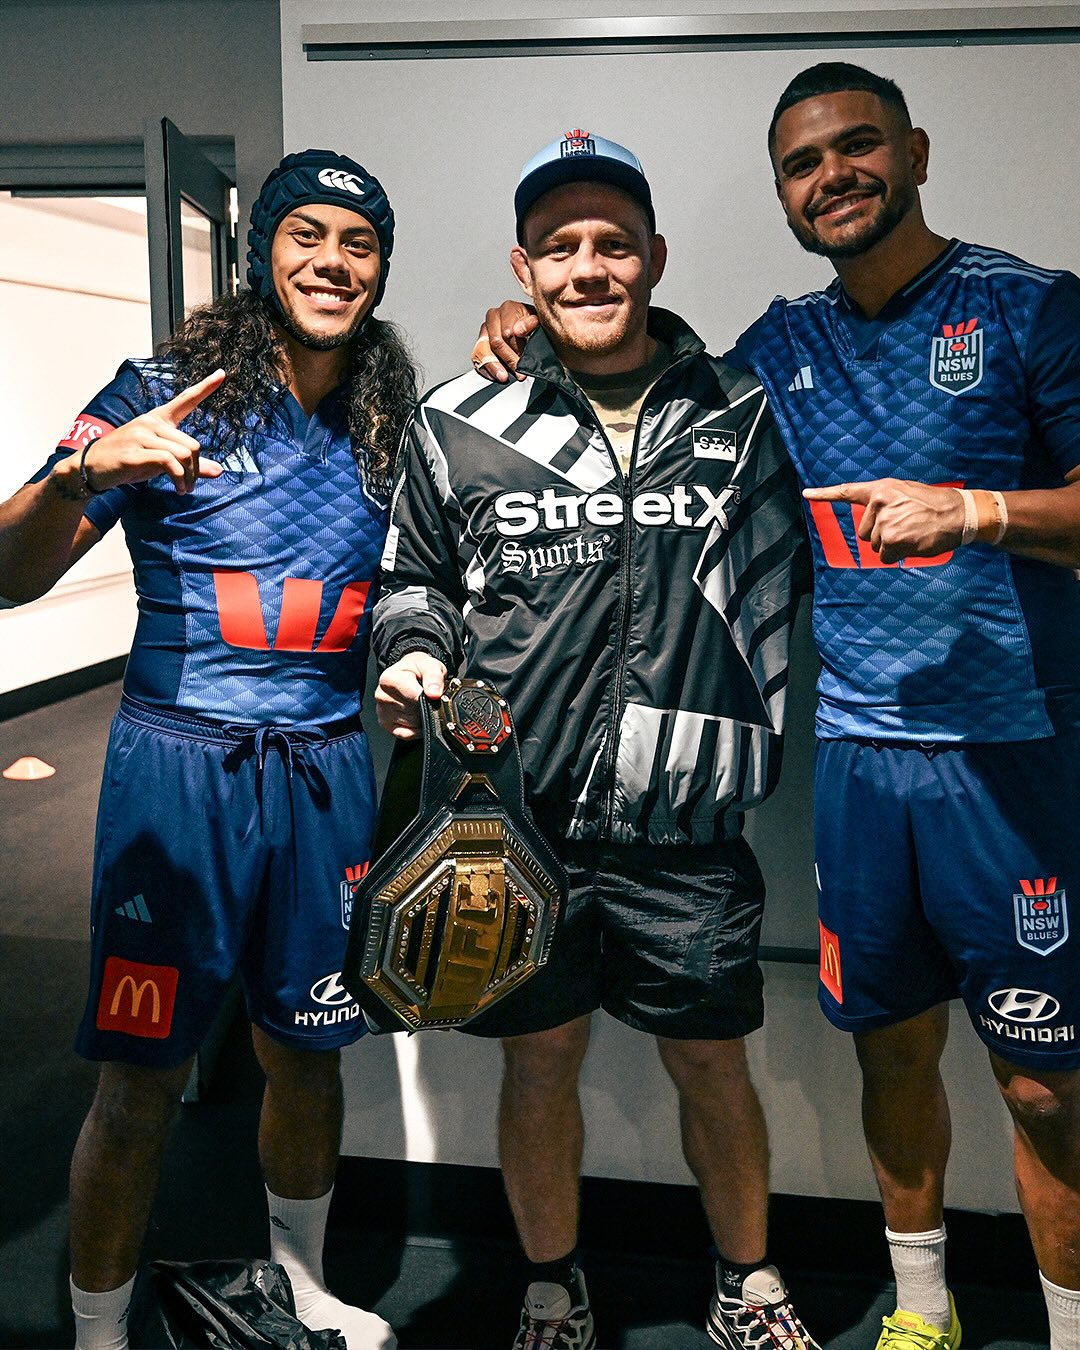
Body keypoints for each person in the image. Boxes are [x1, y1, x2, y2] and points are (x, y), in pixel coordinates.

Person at [474, 64, 1080, 1350]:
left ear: (915, 151)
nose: (834, 176)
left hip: (1016, 755)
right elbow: (655, 382)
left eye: (859, 146)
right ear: (783, 194)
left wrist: (976, 511)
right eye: (804, 164)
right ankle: (923, 1312)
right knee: (889, 1050)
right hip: (858, 760)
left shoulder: (1031, 305)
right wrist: (531, 332)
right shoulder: (778, 352)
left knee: (1044, 1087)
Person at [373, 130, 816, 1350]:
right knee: (539, 1063)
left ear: (654, 257)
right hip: (515, 829)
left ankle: (749, 1287)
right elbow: (412, 577)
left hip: (689, 826)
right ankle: (552, 1289)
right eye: (559, 246)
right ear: (524, 269)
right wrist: (411, 648)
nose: (587, 266)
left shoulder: (748, 411)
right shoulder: (459, 417)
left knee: (714, 1067)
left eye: (612, 243)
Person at [0, 148, 417, 1350]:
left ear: (380, 270)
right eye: (306, 235)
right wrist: (82, 472)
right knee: (140, 1080)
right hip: (178, 773)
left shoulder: (394, 421)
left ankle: (301, 1284)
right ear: (259, 253)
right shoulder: (161, 390)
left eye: (358, 243)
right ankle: (98, 1331)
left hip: (328, 769)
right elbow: (9, 576)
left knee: (312, 1057)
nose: (332, 262)